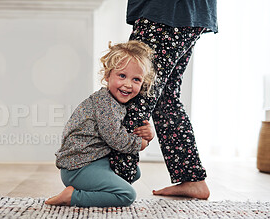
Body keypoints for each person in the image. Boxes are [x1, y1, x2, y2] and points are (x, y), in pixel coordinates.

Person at [109, 0, 218, 199]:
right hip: (184, 13)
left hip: (166, 11)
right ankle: (192, 178)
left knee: (136, 91)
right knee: (165, 97)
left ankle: (115, 179)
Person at [45, 41, 156, 207]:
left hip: (97, 160)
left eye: (136, 79)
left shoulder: (118, 103)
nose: (128, 84)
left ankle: (99, 190)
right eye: (122, 76)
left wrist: (149, 132)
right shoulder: (105, 103)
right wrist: (140, 143)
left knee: (133, 172)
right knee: (127, 195)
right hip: (79, 167)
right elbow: (116, 138)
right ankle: (72, 196)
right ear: (107, 76)